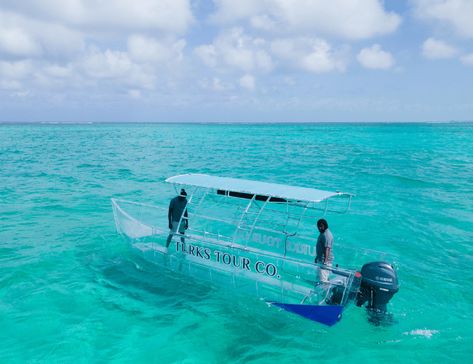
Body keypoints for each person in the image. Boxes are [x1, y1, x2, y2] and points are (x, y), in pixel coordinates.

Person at [314, 218, 334, 283]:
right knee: (319, 278)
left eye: (321, 226)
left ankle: (323, 292)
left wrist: (325, 262)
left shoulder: (327, 235)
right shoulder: (323, 233)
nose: (319, 228)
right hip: (321, 260)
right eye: (318, 226)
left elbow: (327, 249)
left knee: (323, 280)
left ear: (325, 225)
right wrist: (317, 257)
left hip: (325, 262)